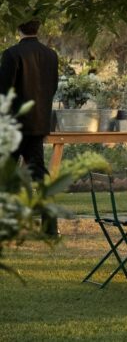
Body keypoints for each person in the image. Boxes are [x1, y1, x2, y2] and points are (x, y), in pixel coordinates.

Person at [0, 19, 59, 234]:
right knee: (41, 175)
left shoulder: (11, 54)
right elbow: (52, 87)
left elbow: (5, 91)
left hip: (15, 124)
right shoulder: (51, 55)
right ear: (38, 29)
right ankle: (50, 226)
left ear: (19, 29)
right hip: (39, 122)